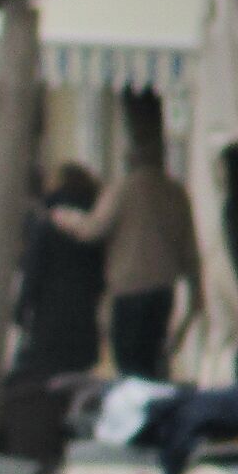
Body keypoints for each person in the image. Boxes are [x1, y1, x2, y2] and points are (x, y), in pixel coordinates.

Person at [53, 94, 197, 380]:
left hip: (129, 289)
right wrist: (197, 295)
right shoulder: (175, 192)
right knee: (153, 361)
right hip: (162, 288)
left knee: (129, 365)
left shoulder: (124, 189)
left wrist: (65, 218)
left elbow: (93, 230)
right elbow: (189, 248)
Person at [11, 163, 105, 380]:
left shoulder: (47, 223)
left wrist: (21, 309)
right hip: (84, 315)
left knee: (48, 378)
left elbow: (34, 270)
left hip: (50, 315)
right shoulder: (94, 224)